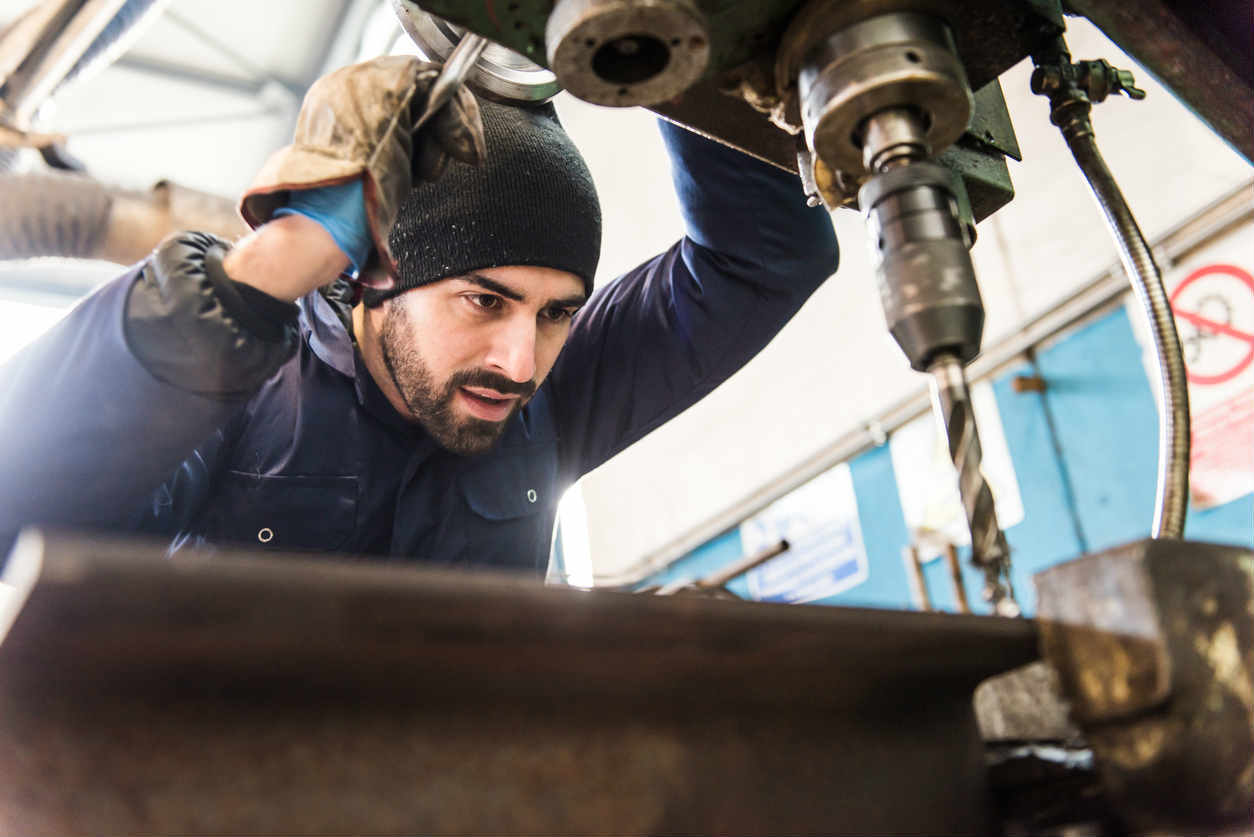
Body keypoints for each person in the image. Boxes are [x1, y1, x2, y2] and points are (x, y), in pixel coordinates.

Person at [0, 56, 839, 574]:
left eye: (556, 315)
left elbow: (765, 258)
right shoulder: (236, 391)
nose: (519, 361)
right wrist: (257, 276)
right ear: (377, 279)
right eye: (484, 300)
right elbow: (18, 513)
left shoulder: (546, 408)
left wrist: (687, 62)